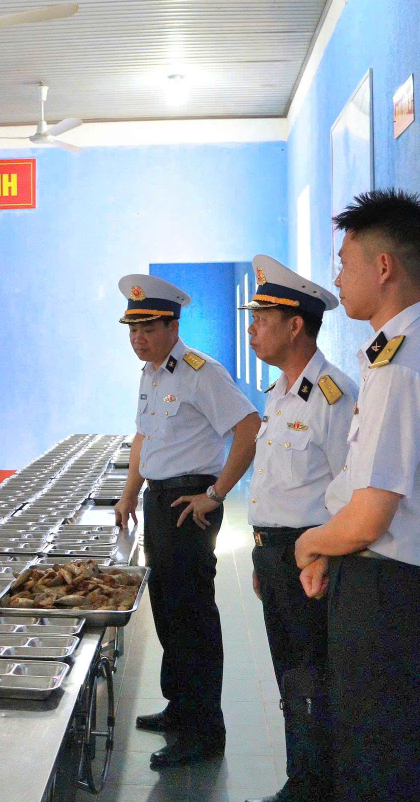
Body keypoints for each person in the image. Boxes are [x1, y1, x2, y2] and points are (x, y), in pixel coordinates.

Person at [294, 189, 420, 802]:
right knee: (379, 756)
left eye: (345, 262)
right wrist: (332, 546)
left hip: (385, 594)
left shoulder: (401, 368)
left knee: (374, 769)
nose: (338, 278)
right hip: (392, 587)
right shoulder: (407, 353)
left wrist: (310, 544)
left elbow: (370, 517)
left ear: (384, 267)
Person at [112, 273, 260, 769]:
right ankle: (180, 707)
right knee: (168, 610)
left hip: (188, 503)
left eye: (147, 329)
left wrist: (216, 494)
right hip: (158, 502)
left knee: (193, 616)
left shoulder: (201, 372)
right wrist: (128, 494)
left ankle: (204, 730)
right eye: (132, 330)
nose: (138, 338)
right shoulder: (151, 374)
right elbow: (142, 438)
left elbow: (249, 427)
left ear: (173, 326)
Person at [241, 254, 356, 802]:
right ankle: (304, 780)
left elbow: (352, 491)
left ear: (295, 326)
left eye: (262, 318)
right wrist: (264, 557)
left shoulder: (333, 395)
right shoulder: (279, 394)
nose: (252, 328)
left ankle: (316, 785)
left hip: (312, 559)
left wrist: (323, 557)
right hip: (276, 556)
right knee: (291, 675)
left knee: (313, 675)